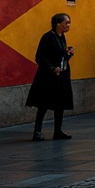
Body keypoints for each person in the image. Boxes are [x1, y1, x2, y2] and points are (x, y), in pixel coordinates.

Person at [27, 13, 75, 141]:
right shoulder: (48, 37)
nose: (68, 25)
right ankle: (37, 131)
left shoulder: (61, 37)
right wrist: (52, 68)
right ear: (58, 24)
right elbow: (40, 56)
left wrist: (68, 54)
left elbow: (60, 55)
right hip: (48, 77)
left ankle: (57, 131)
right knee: (43, 103)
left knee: (60, 103)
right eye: (66, 23)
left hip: (61, 76)